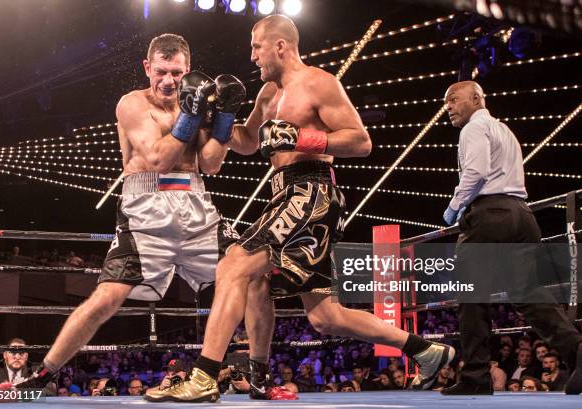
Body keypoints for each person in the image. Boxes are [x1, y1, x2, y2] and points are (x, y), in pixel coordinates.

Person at [152, 14, 454, 403]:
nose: (252, 55)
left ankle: (205, 375)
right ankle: (426, 351)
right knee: (323, 315)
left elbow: (361, 141)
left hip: (311, 192)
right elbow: (245, 142)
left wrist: (302, 137)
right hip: (284, 196)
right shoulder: (267, 95)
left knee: (235, 263)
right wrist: (217, 116)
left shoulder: (318, 82)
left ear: (280, 45)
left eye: (256, 46)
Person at [7, 33, 246, 393]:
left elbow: (211, 164)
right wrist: (193, 115)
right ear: (147, 68)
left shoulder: (195, 100)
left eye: (177, 73)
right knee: (106, 298)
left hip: (196, 203)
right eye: (162, 71)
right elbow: (157, 159)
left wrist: (224, 117)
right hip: (146, 208)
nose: (169, 81)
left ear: (189, 70)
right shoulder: (132, 104)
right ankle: (40, 376)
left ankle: (256, 373)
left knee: (250, 271)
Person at [440, 80, 582, 395]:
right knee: (528, 293)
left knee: (471, 296)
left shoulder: (473, 130)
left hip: (490, 215)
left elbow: (476, 173)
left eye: (453, 99)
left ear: (477, 98)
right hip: (523, 215)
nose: (447, 107)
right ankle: (578, 352)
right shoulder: (505, 130)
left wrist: (452, 207)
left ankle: (476, 377)